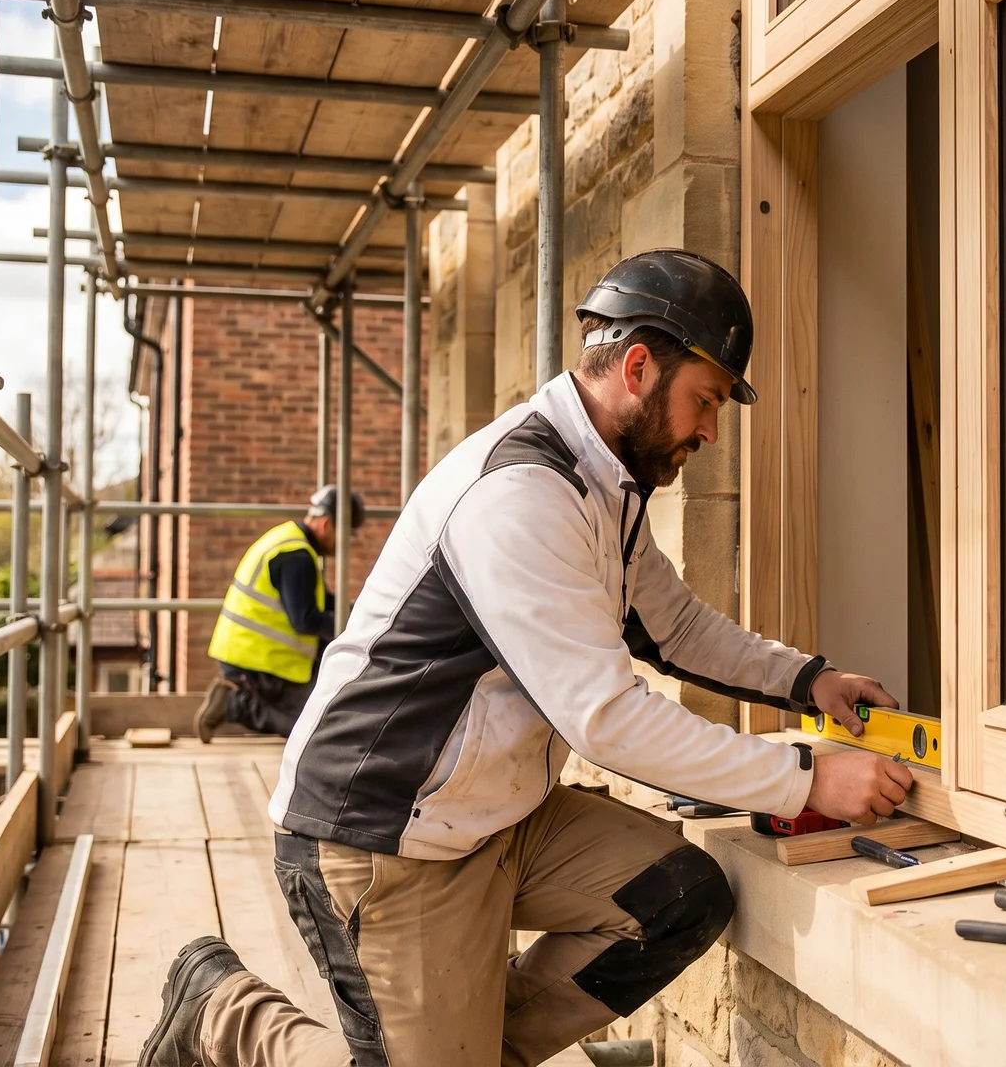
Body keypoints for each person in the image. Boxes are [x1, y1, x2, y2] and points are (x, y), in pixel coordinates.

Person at [139, 250, 915, 1067]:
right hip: (382, 838)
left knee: (679, 899)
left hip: (497, 821)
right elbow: (605, 719)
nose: (711, 431)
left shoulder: (603, 485)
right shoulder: (519, 495)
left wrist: (807, 679)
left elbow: (675, 628)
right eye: (706, 401)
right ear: (640, 368)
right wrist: (807, 780)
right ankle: (222, 1008)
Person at [194, 485, 365, 741]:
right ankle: (232, 703)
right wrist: (352, 628)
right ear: (327, 524)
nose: (344, 544)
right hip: (254, 662)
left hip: (263, 657)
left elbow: (322, 601)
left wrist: (360, 613)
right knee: (312, 728)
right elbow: (305, 620)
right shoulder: (296, 557)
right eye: (345, 534)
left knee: (326, 713)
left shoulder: (293, 544)